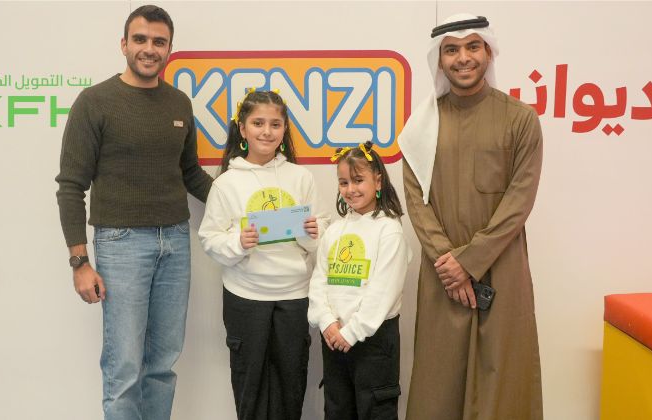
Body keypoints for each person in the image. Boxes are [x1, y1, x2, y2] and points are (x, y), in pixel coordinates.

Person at [55, 5, 213, 420]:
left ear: (169, 49)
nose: (149, 49)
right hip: (121, 244)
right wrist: (79, 262)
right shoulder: (94, 102)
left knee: (162, 365)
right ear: (123, 44)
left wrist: (242, 204)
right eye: (140, 39)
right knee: (124, 369)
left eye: (159, 42)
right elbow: (71, 186)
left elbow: (191, 175)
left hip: (175, 242)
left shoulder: (178, 103)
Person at [398, 13, 544, 420]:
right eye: (451, 50)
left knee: (503, 380)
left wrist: (469, 261)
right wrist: (450, 263)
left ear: (488, 52)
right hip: (442, 274)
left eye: (472, 46)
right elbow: (416, 201)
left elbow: (519, 201)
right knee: (439, 382)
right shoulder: (420, 127)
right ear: (439, 59)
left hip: (502, 267)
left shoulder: (520, 119)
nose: (463, 58)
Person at [198, 89, 326, 420]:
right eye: (258, 123)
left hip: (294, 296)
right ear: (242, 129)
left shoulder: (301, 177)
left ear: (284, 130)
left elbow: (319, 238)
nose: (267, 131)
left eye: (275, 124)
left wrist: (312, 233)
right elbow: (210, 238)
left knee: (291, 384)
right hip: (246, 297)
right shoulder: (226, 183)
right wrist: (238, 243)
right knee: (249, 385)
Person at [308, 142, 411, 420]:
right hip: (334, 340)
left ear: (378, 181)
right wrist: (326, 322)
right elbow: (319, 281)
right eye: (344, 182)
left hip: (374, 344)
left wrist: (352, 332)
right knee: (337, 410)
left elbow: (383, 293)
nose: (350, 189)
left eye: (358, 180)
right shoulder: (335, 231)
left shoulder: (389, 230)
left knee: (375, 411)